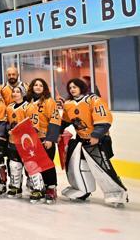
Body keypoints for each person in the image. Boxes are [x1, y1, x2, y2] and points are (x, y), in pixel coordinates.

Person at [60, 78, 127, 207]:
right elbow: (65, 121)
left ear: (81, 87)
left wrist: (96, 135)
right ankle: (82, 190)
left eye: (75, 87)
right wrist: (57, 132)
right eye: (70, 88)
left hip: (97, 141)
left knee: (102, 169)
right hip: (81, 141)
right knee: (79, 167)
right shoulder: (68, 104)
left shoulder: (94, 100)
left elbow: (104, 119)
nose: (72, 89)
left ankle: (117, 193)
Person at [23, 78, 61, 204]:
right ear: (32, 87)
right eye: (35, 85)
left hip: (45, 138)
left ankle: (51, 188)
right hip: (30, 139)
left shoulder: (49, 101)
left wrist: (50, 138)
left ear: (44, 88)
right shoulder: (27, 101)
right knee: (33, 165)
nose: (38, 87)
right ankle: (38, 187)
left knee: (46, 164)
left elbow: (55, 120)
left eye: (41, 85)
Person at [4, 85, 29, 198]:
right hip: (12, 141)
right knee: (14, 165)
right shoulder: (9, 107)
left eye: (18, 92)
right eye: (13, 92)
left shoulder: (28, 107)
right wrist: (8, 130)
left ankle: (36, 188)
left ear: (23, 94)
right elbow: (7, 123)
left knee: (29, 165)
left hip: (26, 142)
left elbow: (32, 124)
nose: (15, 94)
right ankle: (15, 187)